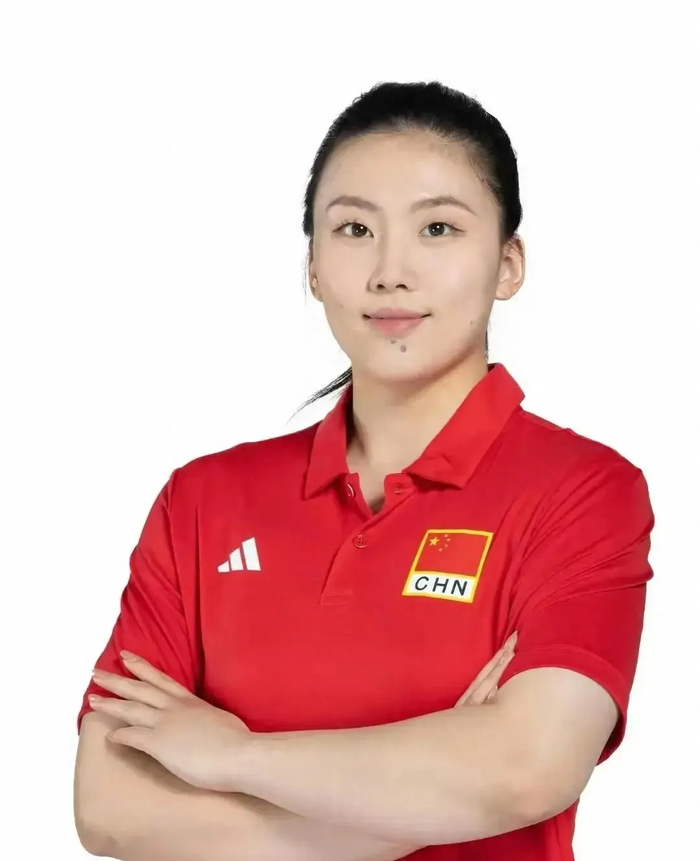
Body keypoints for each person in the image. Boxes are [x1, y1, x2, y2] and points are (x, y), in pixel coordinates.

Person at [73, 81, 655, 860]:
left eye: (438, 227)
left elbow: (527, 769)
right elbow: (110, 806)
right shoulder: (202, 500)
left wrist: (234, 755)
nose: (390, 271)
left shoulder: (583, 491)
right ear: (313, 267)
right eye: (353, 229)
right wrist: (433, 793)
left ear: (508, 264)